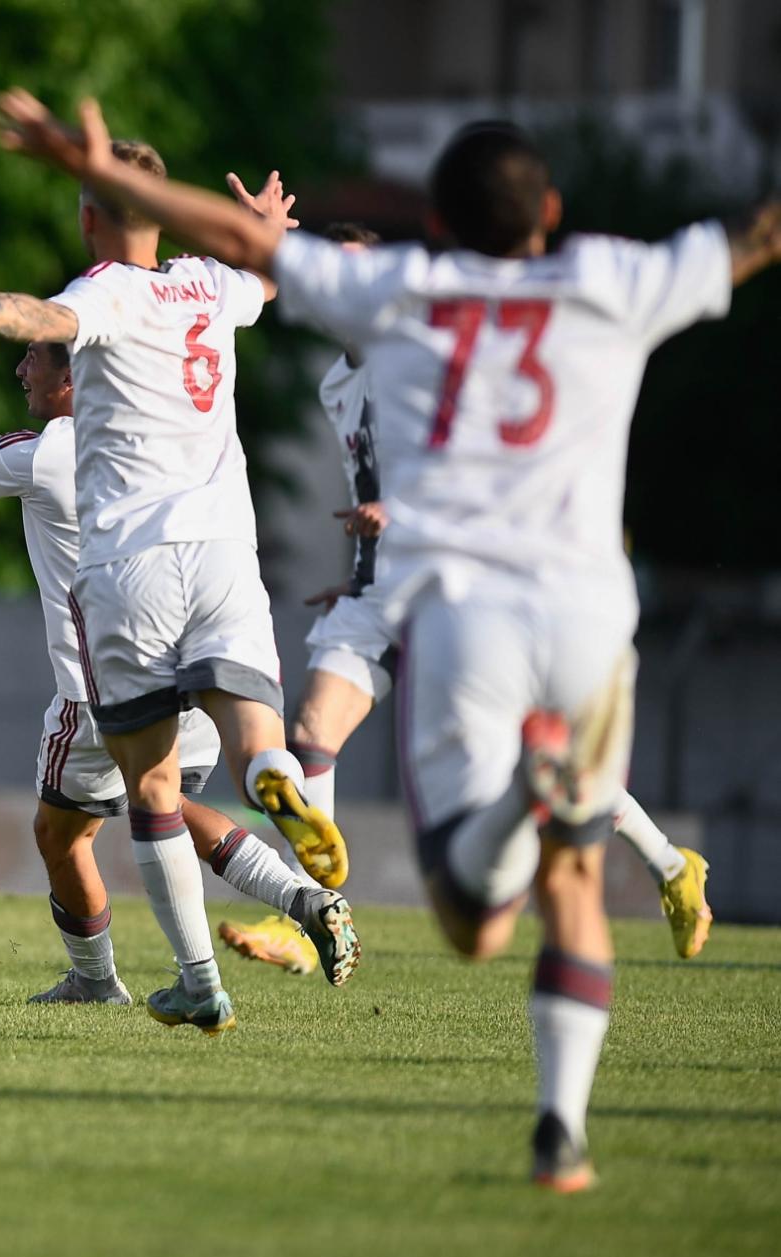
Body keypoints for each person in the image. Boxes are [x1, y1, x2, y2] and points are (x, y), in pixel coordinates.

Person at [0, 90, 779, 1188]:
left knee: (472, 915)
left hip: (459, 609)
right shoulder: (610, 277)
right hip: (593, 615)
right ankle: (559, 1122)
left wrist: (117, 180)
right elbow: (754, 235)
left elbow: (240, 246)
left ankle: (507, 803)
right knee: (567, 879)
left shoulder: (404, 288)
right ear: (549, 208)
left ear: (441, 225)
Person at [0, 145, 346, 1035]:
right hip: (227, 552)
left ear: (90, 216)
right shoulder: (208, 281)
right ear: (161, 207)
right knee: (249, 739)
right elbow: (271, 281)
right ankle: (280, 782)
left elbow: (29, 316)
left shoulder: (104, 295)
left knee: (152, 790)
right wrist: (269, 233)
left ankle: (197, 980)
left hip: (133, 568)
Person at [0, 344, 361, 1001]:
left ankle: (118, 980)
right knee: (168, 805)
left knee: (62, 832)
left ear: (72, 378)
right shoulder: (162, 435)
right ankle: (301, 893)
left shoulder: (47, 451)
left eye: (33, 359)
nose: (19, 371)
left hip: (100, 680)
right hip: (192, 656)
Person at [220, 223, 712, 970]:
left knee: (540, 758)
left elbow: (477, 466)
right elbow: (372, 486)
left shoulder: (421, 358)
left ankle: (672, 865)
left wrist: (406, 515)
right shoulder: (336, 382)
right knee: (312, 731)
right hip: (378, 585)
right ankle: (318, 911)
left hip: (459, 582)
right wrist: (365, 554)